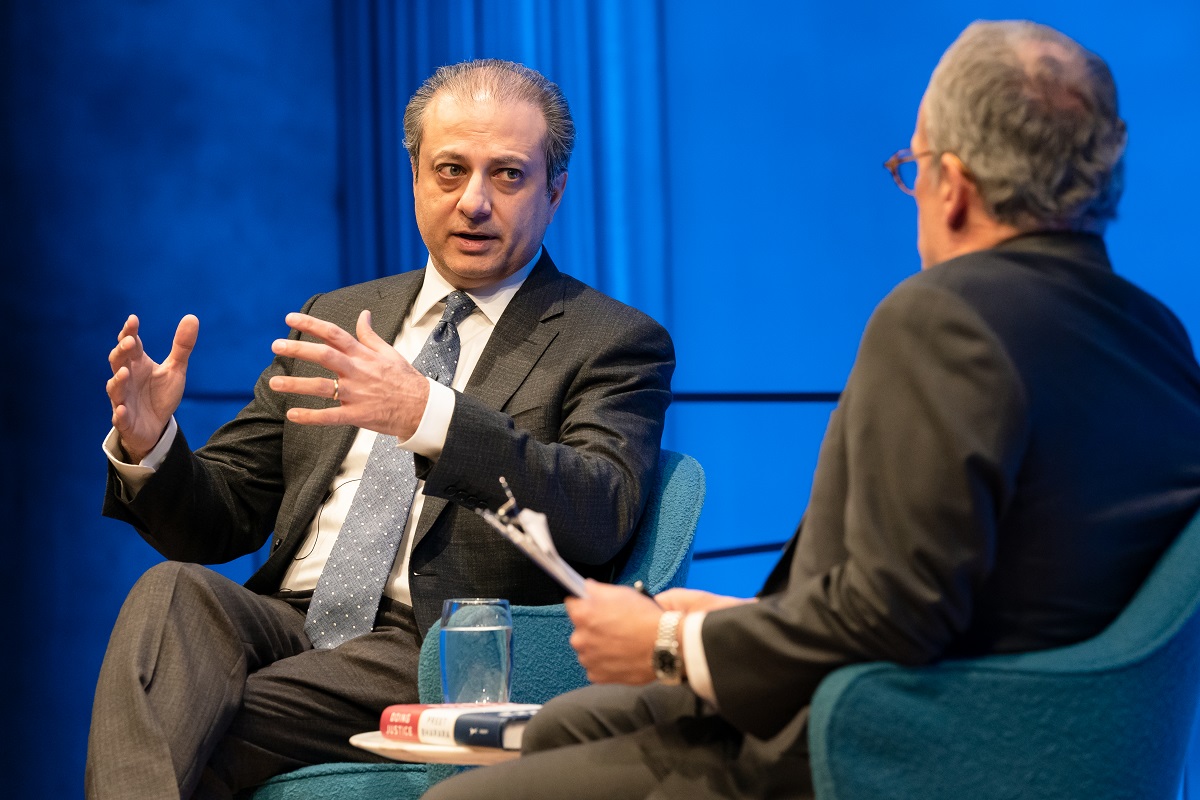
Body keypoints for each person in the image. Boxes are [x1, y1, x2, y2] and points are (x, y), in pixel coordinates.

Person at [425, 20, 1200, 800]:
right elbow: (988, 584)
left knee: (461, 798)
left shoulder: (945, 316)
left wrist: (669, 640)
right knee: (568, 725)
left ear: (955, 185)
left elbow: (897, 616)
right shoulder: (1157, 336)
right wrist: (734, 624)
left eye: (913, 168)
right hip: (1041, 737)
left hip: (885, 748)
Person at [86, 59, 674, 799]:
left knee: (187, 712)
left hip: (428, 642)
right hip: (283, 619)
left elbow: (600, 510)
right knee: (171, 591)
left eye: (509, 176)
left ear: (555, 188)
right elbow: (223, 518)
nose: (474, 203)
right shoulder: (339, 314)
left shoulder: (611, 340)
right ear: (417, 177)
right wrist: (150, 446)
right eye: (450, 171)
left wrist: (428, 413)